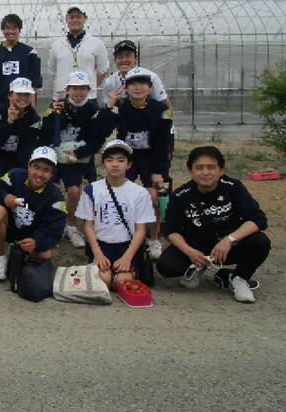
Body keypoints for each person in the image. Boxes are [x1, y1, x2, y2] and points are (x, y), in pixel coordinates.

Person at [157, 146, 271, 303]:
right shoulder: (180, 195)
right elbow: (170, 230)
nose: (205, 173)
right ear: (191, 171)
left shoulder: (234, 187)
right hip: (196, 245)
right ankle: (198, 266)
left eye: (211, 167)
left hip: (228, 247)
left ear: (221, 170)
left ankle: (239, 278)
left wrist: (229, 240)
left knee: (260, 242)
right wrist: (190, 252)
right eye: (199, 168)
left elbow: (258, 219)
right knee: (166, 266)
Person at [104, 66, 172, 258]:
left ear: (150, 87)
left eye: (143, 83)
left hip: (152, 158)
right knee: (118, 192)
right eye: (133, 83)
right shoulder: (121, 107)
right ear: (126, 87)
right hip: (128, 157)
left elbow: (165, 143)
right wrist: (109, 106)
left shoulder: (161, 110)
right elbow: (104, 127)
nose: (138, 87)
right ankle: (123, 233)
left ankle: (153, 238)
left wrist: (159, 170)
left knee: (152, 196)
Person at [40, 71, 113, 248]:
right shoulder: (57, 106)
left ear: (88, 90)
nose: (78, 92)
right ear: (67, 90)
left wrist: (78, 154)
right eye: (74, 88)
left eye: (82, 88)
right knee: (49, 189)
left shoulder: (93, 110)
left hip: (76, 159)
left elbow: (97, 139)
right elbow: (44, 133)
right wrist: (53, 113)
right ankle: (50, 224)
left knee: (74, 191)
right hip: (55, 157)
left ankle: (71, 225)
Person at [75, 140, 156, 287]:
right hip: (101, 245)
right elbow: (88, 225)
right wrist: (97, 253)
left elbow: (141, 230)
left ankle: (124, 272)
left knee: (121, 281)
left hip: (126, 246)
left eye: (121, 160)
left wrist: (127, 257)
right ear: (103, 164)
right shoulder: (91, 190)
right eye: (110, 160)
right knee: (104, 280)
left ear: (129, 164)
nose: (115, 164)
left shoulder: (140, 193)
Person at [0, 146, 67, 281]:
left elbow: (55, 230)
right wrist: (5, 197)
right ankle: (0, 258)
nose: (40, 174)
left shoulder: (57, 198)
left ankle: (21, 256)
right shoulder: (13, 175)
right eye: (36, 167)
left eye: (46, 170)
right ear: (29, 166)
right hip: (10, 229)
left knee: (46, 255)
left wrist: (37, 241)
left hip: (32, 236)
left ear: (52, 174)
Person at [47, 5, 109, 104]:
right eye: (71, 17)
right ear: (66, 19)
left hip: (88, 98)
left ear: (85, 19)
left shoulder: (97, 43)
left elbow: (102, 70)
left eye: (78, 17)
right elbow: (52, 71)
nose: (75, 20)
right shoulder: (56, 45)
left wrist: (88, 88)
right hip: (62, 97)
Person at [0, 77, 41, 183]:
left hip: (18, 160)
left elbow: (28, 148)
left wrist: (19, 121)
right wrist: (9, 122)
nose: (23, 98)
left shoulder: (34, 119)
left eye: (27, 94)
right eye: (19, 94)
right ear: (9, 95)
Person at [0, 14, 42, 106]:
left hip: (22, 103)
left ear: (19, 30)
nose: (11, 31)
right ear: (3, 30)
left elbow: (34, 83)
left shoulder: (30, 52)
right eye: (7, 28)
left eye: (14, 28)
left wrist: (32, 108)